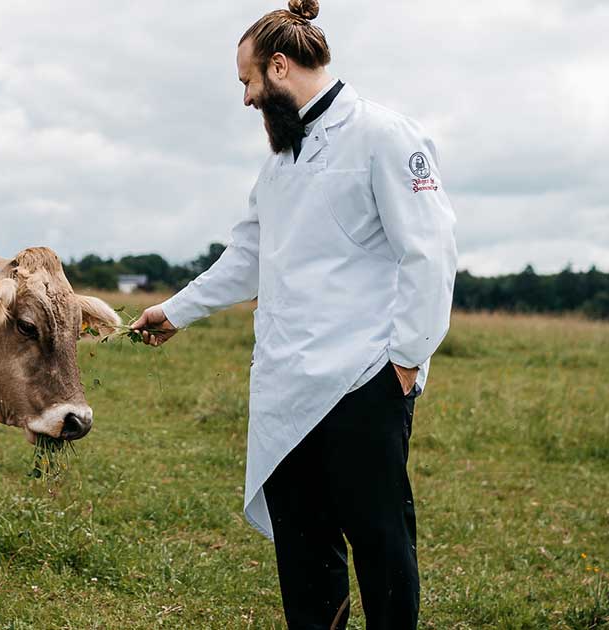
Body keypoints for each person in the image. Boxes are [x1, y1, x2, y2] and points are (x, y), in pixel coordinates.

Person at [129, 1, 457, 627]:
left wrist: (406, 362)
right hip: (287, 387)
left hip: (364, 381)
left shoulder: (385, 136)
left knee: (381, 541)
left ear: (279, 66)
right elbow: (247, 256)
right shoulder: (279, 162)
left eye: (248, 81)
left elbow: (431, 251)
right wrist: (175, 311)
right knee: (304, 545)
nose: (247, 99)